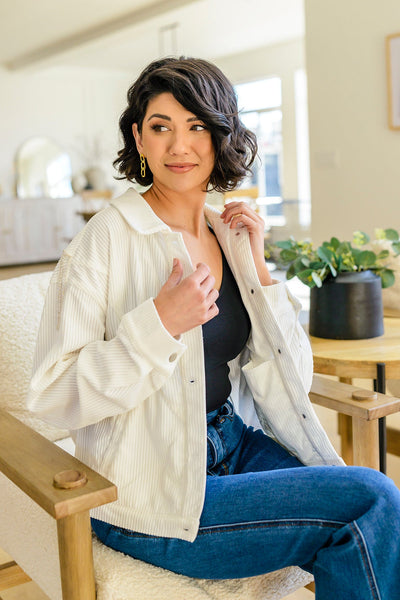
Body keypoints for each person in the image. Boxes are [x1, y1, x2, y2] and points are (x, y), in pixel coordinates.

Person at [28, 57, 400, 599]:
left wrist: (262, 273)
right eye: (161, 127)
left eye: (197, 126)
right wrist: (158, 325)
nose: (180, 147)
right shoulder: (104, 241)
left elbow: (292, 377)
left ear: (220, 133)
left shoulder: (224, 231)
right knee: (369, 497)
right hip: (147, 488)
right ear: (138, 137)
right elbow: (52, 395)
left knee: (370, 505)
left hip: (231, 443)